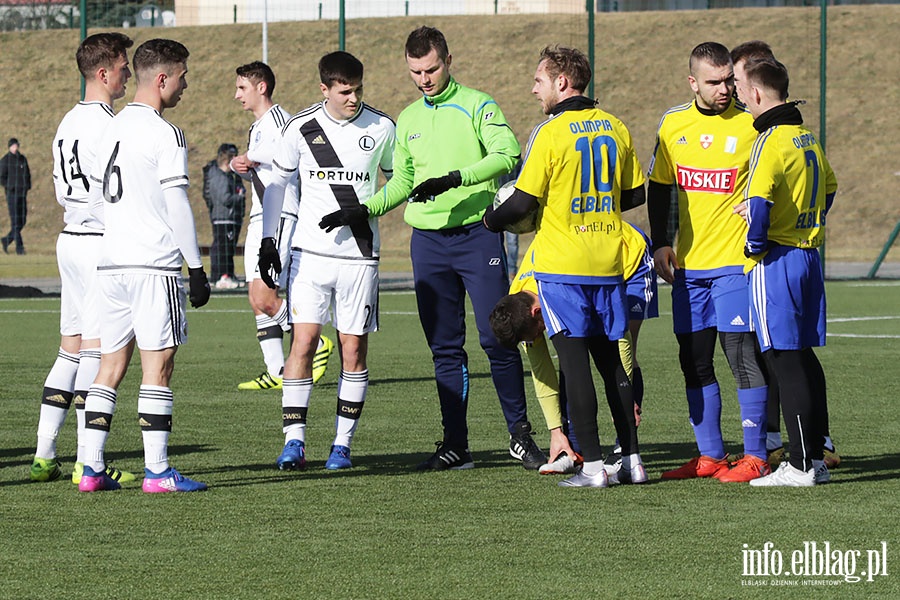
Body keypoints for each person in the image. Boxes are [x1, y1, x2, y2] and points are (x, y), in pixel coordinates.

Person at [319, 26, 545, 471]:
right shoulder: (408, 119)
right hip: (428, 245)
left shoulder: (477, 104)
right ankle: (456, 445)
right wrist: (364, 209)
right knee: (445, 348)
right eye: (415, 72)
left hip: (478, 237)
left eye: (431, 69)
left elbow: (508, 153)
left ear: (448, 60)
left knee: (497, 339)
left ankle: (520, 437)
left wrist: (455, 178)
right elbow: (402, 181)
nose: (424, 79)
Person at [484, 45, 647, 488]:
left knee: (575, 367)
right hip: (609, 261)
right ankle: (632, 460)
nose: (534, 88)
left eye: (539, 80)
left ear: (561, 82)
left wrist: (491, 218)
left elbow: (521, 199)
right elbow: (634, 196)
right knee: (613, 362)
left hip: (562, 266)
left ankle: (593, 467)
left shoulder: (549, 132)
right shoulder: (616, 126)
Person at [78, 38, 209, 493]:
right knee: (159, 367)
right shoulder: (163, 132)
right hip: (153, 267)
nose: (185, 85)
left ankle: (91, 468)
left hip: (110, 266)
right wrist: (196, 268)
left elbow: (95, 201)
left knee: (109, 367)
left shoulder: (109, 128)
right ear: (162, 78)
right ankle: (157, 471)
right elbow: (177, 204)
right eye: (183, 76)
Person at [257, 51, 395, 471]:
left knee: (352, 351)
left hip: (359, 258)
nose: (353, 98)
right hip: (310, 256)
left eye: (358, 90)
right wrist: (268, 242)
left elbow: (398, 181)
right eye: (344, 91)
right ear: (325, 89)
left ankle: (342, 445)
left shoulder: (383, 126)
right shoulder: (301, 128)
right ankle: (294, 441)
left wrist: (370, 209)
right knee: (302, 343)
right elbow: (277, 187)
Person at [647, 42, 770, 484]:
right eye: (714, 81)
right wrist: (660, 242)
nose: (724, 89)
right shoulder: (672, 124)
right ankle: (710, 456)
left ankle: (756, 456)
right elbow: (659, 187)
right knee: (693, 359)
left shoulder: (753, 125)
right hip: (689, 268)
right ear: (693, 82)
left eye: (728, 80)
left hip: (737, 265)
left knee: (741, 355)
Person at [29, 32, 137, 486]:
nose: (129, 72)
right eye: (123, 66)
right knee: (96, 350)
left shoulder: (67, 121)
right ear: (103, 72)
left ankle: (43, 455)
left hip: (68, 238)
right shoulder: (109, 124)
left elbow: (58, 188)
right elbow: (118, 189)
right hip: (95, 243)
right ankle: (86, 461)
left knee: (69, 347)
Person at [731, 40, 840, 471]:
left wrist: (755, 243)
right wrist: (801, 219)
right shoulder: (805, 135)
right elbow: (829, 188)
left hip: (776, 260)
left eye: (739, 85)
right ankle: (814, 454)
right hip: (809, 256)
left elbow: (758, 203)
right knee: (802, 357)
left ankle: (799, 466)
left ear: (757, 94)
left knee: (781, 359)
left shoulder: (770, 140)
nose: (737, 93)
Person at [491, 221, 657, 481]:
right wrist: (555, 431)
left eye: (538, 332)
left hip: (629, 256)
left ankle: (624, 450)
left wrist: (625, 400)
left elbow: (620, 342)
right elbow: (542, 373)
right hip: (587, 267)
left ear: (537, 312)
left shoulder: (556, 293)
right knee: (574, 360)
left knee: (623, 350)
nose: (540, 337)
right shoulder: (518, 306)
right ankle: (574, 449)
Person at [231, 61, 333, 390]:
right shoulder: (258, 125)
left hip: (279, 216)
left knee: (264, 296)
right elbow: (265, 165)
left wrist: (252, 156)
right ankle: (276, 371)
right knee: (256, 297)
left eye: (242, 88)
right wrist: (244, 164)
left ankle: (315, 342)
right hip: (259, 215)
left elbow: (291, 151)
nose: (237, 95)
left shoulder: (279, 120)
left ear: (262, 87)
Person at [203, 142, 245, 288]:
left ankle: (226, 275)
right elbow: (225, 198)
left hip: (226, 218)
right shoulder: (219, 176)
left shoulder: (226, 176)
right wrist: (240, 196)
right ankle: (222, 276)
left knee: (226, 248)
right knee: (223, 249)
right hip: (224, 218)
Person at [0, 137, 31, 254]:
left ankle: (6, 240)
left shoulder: (22, 159)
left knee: (22, 221)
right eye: (13, 146)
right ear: (9, 147)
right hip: (12, 195)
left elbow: (27, 174)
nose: (15, 147)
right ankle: (20, 248)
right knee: (15, 222)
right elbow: (1, 177)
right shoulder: (5, 160)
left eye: (16, 145)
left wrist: (27, 186)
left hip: (22, 194)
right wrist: (9, 187)